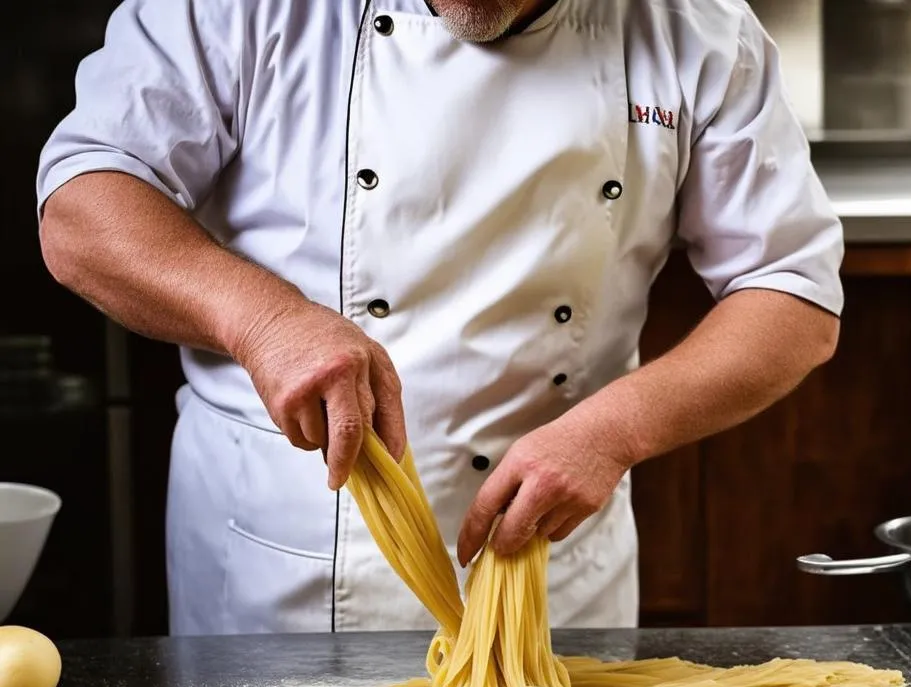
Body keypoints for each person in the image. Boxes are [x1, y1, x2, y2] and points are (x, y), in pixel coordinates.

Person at [37, 0, 843, 636]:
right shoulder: (243, 10)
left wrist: (616, 430)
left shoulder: (695, 28)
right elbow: (82, 204)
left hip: (552, 573)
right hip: (283, 569)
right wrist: (264, 320)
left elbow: (792, 293)